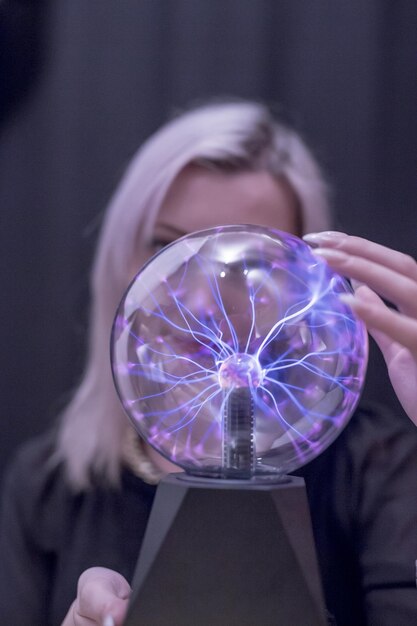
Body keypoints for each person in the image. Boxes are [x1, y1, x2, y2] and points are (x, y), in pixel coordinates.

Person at [0, 100, 416, 626]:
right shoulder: (45, 489)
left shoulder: (380, 471)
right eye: (164, 247)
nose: (198, 302)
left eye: (245, 263)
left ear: (309, 282)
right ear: (118, 257)